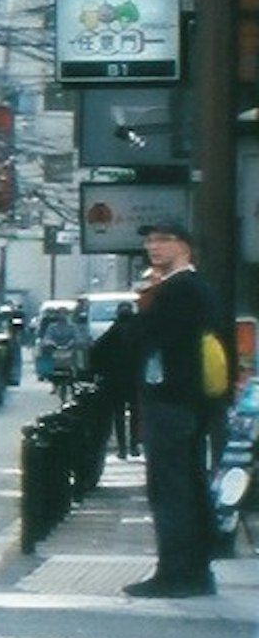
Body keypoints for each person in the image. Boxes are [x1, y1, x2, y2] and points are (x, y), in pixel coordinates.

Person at [123, 219, 223, 598]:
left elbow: (150, 340)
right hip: (188, 401)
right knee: (188, 481)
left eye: (163, 240)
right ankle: (193, 568)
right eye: (149, 240)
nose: (154, 247)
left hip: (171, 400)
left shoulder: (178, 290)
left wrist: (145, 307)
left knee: (170, 487)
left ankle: (177, 571)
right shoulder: (194, 289)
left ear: (185, 247)